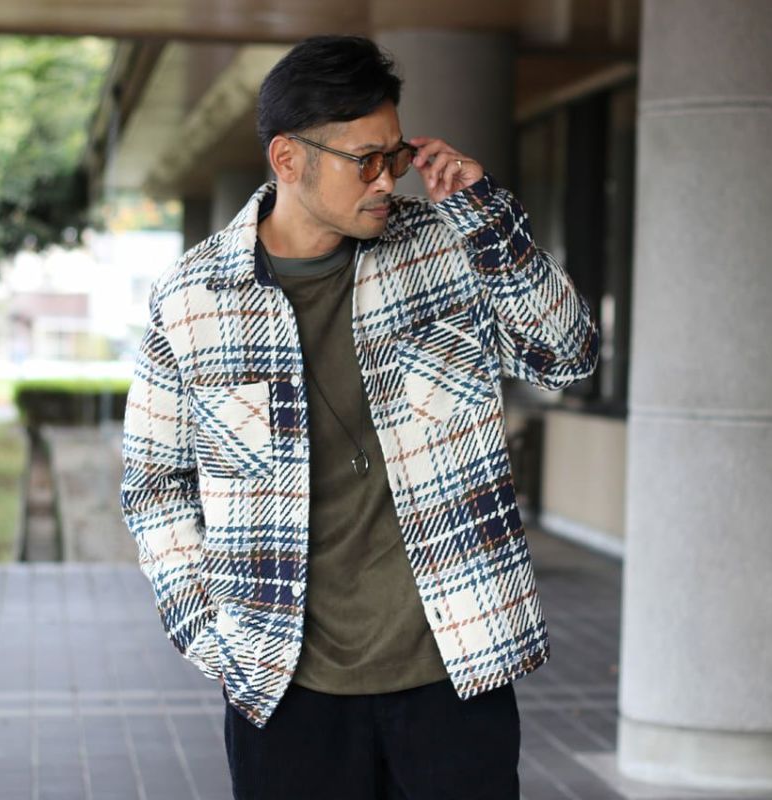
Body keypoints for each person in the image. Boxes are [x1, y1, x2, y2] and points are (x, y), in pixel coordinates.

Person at [120, 34, 599, 800]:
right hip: (284, 689)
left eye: (395, 155)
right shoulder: (192, 300)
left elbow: (567, 355)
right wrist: (205, 631)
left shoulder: (442, 247)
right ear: (287, 159)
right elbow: (154, 485)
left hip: (453, 677)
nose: (386, 180)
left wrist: (488, 219)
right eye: (364, 161)